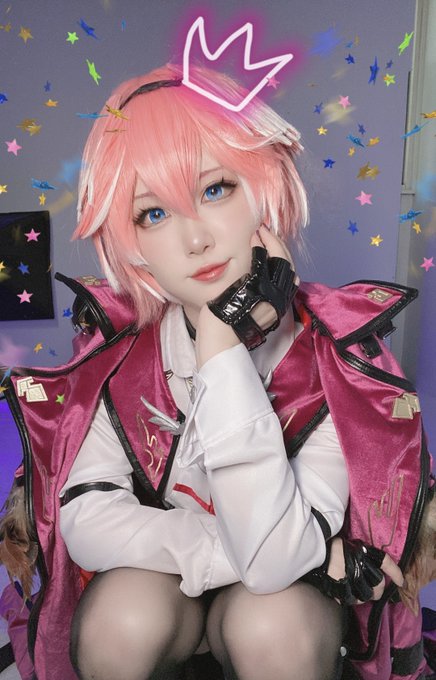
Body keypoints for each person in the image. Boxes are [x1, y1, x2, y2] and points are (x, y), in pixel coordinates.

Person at [0, 63, 434, 680]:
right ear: (132, 243)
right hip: (163, 584)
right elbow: (87, 518)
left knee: (274, 625)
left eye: (215, 189)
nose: (195, 239)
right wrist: (313, 556)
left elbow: (271, 567)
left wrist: (221, 350)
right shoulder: (119, 355)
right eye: (153, 214)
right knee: (122, 621)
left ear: (264, 188)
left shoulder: (339, 363)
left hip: (278, 603)